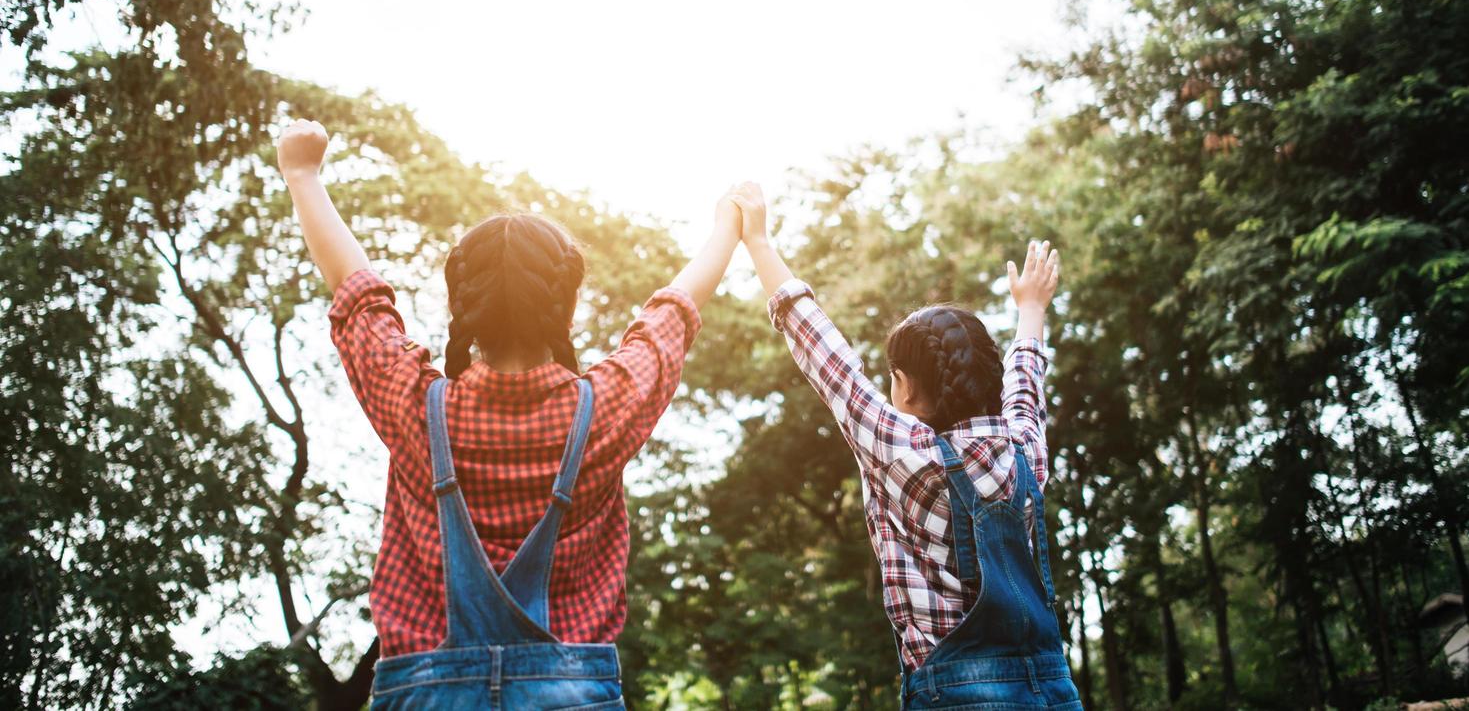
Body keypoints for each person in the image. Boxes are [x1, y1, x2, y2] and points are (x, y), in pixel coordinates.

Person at [276, 118, 742, 709]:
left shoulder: (414, 403)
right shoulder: (606, 408)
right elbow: (671, 316)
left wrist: (303, 176)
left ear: (460, 302)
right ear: (565, 303)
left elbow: (357, 291)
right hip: (571, 695)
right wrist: (729, 228)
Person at [729, 182, 1082, 710]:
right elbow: (1026, 378)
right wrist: (1031, 306)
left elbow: (825, 352)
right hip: (1050, 689)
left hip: (956, 695)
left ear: (906, 384)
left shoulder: (903, 450)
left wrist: (758, 242)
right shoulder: (1023, 449)